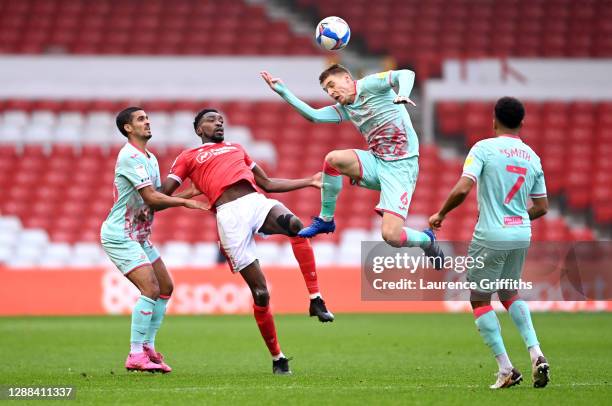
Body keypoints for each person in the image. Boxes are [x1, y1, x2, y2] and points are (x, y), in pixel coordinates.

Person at [161, 108, 334, 375]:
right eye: (211, 119)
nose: (218, 122)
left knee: (295, 226)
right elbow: (165, 193)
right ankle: (278, 357)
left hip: (255, 202)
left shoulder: (237, 148)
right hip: (229, 218)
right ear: (198, 129)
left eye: (221, 119)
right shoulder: (188, 157)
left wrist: (309, 181)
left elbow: (268, 184)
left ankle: (316, 298)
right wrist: (155, 198)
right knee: (261, 293)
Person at [260, 65, 444, 268]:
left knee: (391, 235)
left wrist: (402, 95)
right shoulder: (346, 107)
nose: (330, 93)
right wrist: (284, 92)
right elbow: (314, 116)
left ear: (347, 79)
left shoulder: (370, 85)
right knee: (333, 159)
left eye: (332, 85)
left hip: (401, 167)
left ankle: (427, 240)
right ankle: (326, 219)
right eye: (326, 90)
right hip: (376, 161)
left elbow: (407, 73)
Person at [428, 97, 550, 389]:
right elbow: (542, 207)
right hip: (521, 233)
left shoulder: (483, 148)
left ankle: (506, 368)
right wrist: (518, 218)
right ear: (522, 123)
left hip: (491, 234)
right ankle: (536, 352)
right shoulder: (532, 156)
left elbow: (464, 187)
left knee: (479, 298)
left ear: (494, 120)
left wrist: (441, 213)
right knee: (509, 293)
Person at [100, 107, 207, 373]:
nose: (147, 122)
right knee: (149, 289)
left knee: (165, 287)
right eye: (140, 119)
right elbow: (150, 197)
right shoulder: (129, 156)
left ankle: (147, 347)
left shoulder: (150, 157)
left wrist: (191, 191)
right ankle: (135, 354)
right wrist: (185, 201)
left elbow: (156, 200)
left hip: (140, 236)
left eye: (147, 118)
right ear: (127, 128)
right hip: (120, 235)